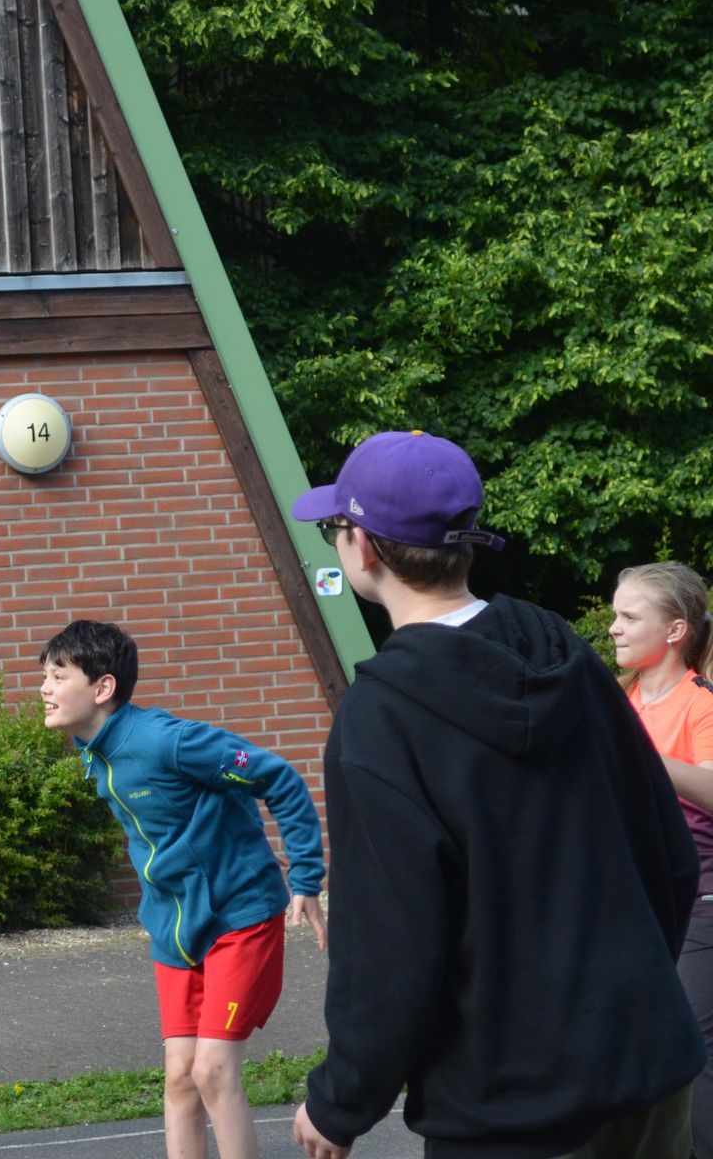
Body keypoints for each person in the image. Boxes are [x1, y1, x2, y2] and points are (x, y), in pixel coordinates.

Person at [290, 431, 705, 1159]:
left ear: (365, 550)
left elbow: (390, 940)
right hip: (647, 1064)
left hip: (511, 1109)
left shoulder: (380, 717)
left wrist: (340, 1100)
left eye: (339, 527)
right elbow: (668, 849)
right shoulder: (561, 651)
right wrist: (629, 986)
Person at [38, 618, 326, 1159]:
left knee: (213, 1072)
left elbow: (278, 778)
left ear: (102, 688)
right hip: (174, 929)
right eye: (44, 677)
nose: (44, 689)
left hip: (238, 917)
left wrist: (305, 877)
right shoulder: (92, 749)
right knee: (179, 1079)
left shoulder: (168, 741)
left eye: (58, 676)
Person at [611, 562, 713, 1153]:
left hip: (699, 901)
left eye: (630, 617)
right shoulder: (623, 700)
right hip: (640, 901)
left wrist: (642, 761)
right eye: (616, 615)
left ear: (675, 632)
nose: (615, 629)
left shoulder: (699, 702)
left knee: (694, 1061)